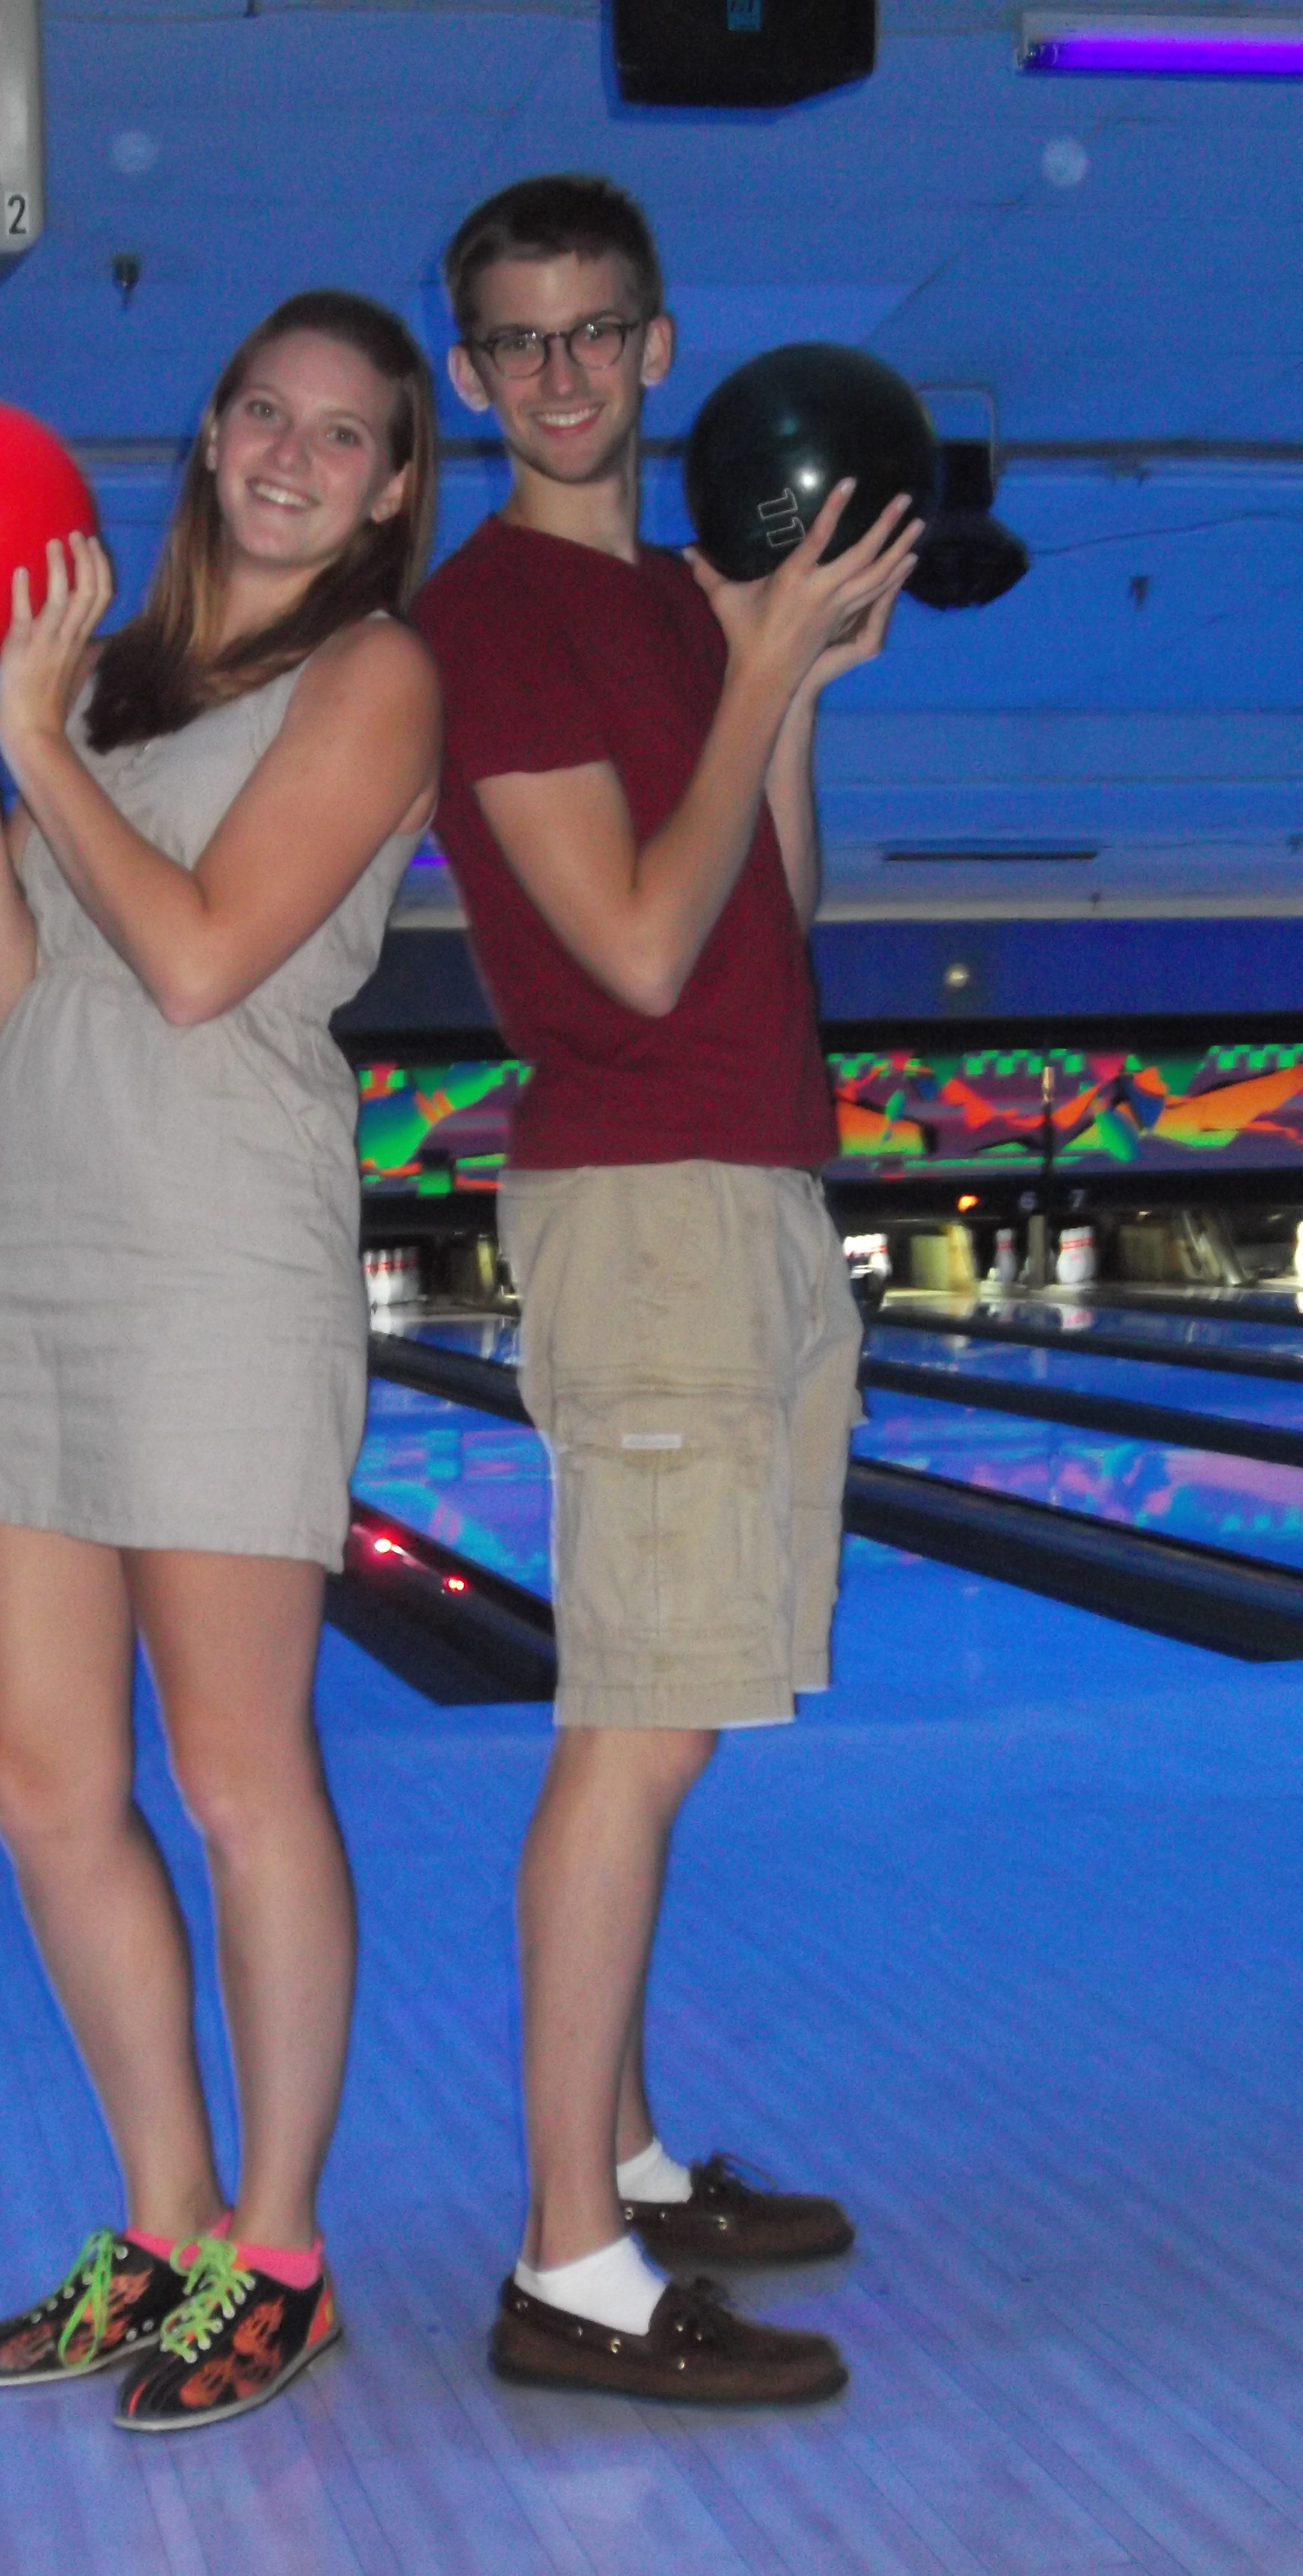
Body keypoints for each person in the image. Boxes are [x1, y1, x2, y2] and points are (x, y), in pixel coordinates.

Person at [0, 291, 441, 2432]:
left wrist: (39, 744)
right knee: (37, 1782)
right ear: (208, 432)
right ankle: (166, 2223)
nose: (291, 453)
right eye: (262, 411)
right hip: (30, 1246)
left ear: (391, 488)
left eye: (342, 435)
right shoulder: (106, 679)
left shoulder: (377, 676)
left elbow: (192, 961)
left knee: (237, 1777)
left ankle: (280, 2254)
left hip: (214, 1259)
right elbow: (2, 998)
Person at [413, 176, 920, 2405]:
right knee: (634, 1731)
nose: (559, 374)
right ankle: (567, 2268)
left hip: (750, 1184)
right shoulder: (489, 619)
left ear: (655, 344)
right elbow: (628, 947)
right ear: (470, 374)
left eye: (594, 331)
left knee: (667, 1713)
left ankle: (616, 2157)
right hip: (644, 1208)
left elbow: (766, 905)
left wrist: (775, 681)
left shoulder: (669, 597)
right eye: (517, 342)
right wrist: (755, 671)